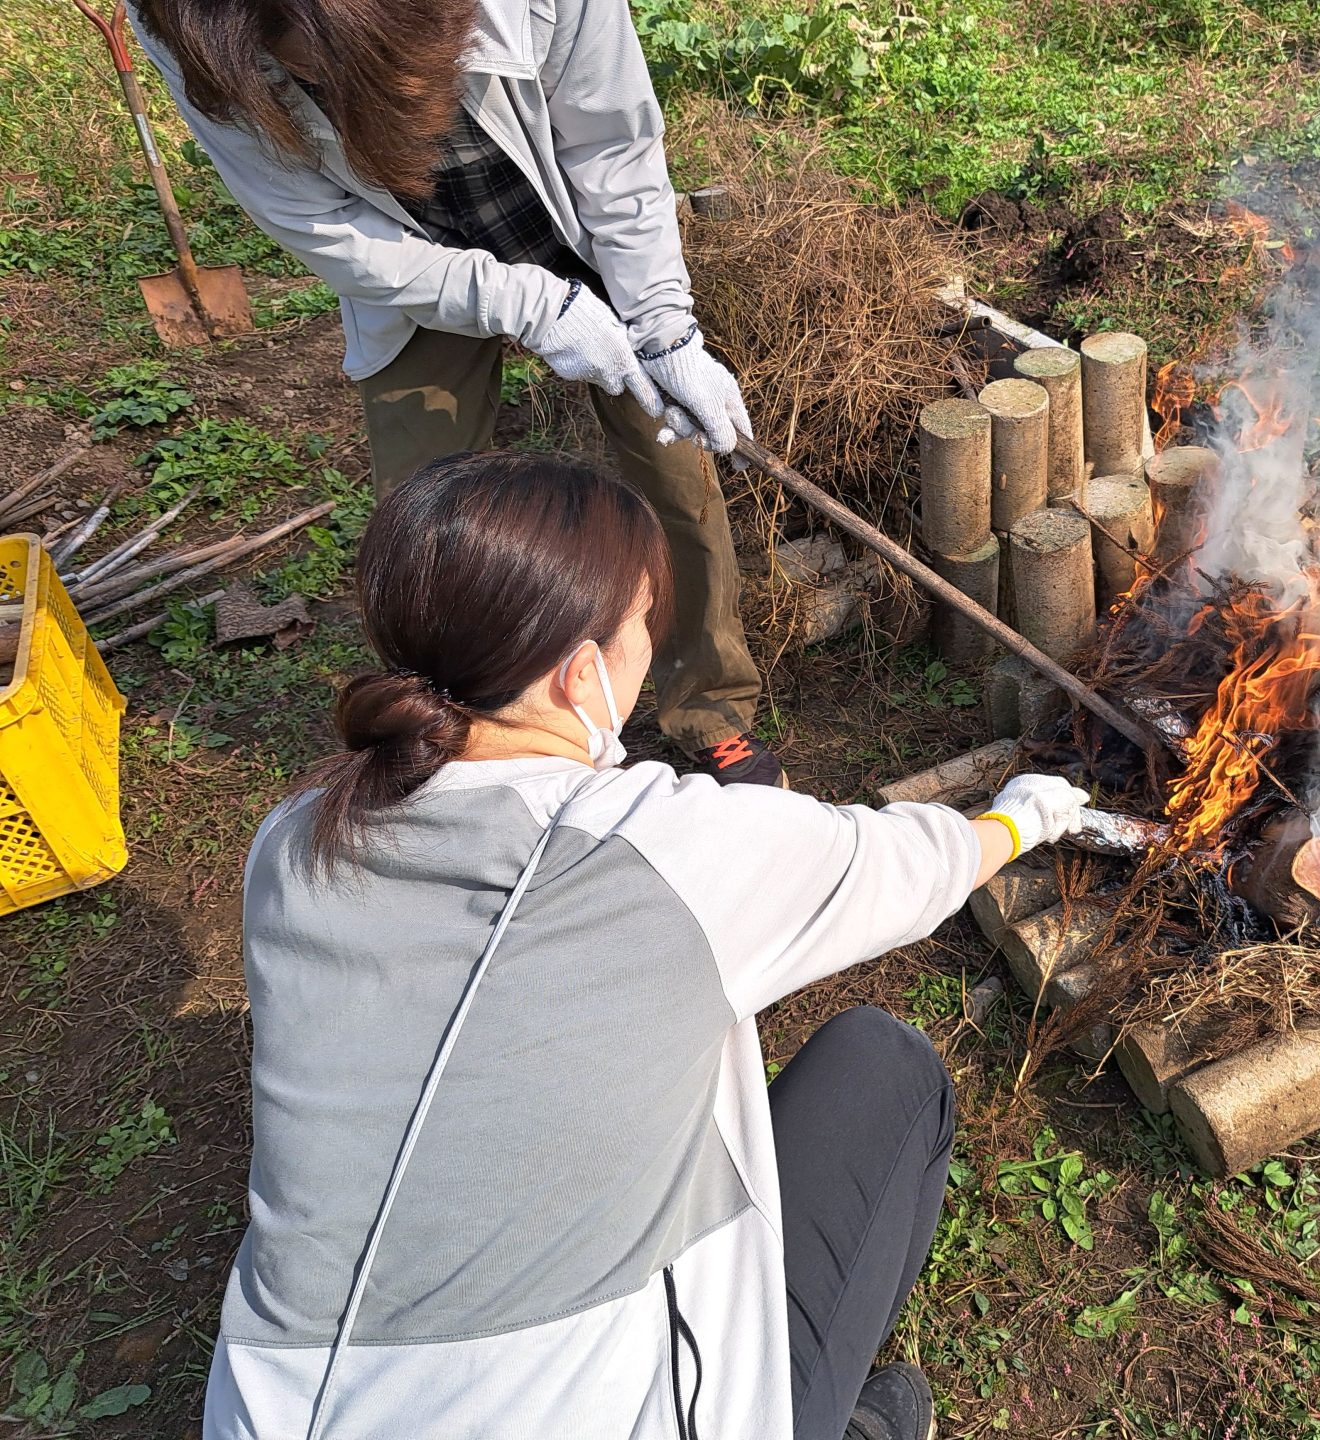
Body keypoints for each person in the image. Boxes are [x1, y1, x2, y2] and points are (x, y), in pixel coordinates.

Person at [210, 449, 1090, 1440]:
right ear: (579, 673)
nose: (649, 646)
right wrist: (1019, 818)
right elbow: (906, 866)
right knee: (889, 1070)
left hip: (267, 1411)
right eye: (642, 624)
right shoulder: (660, 851)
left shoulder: (291, 842)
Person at [129, 0, 784, 785]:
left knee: (675, 476)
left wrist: (665, 329)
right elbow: (326, 228)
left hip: (572, 223)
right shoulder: (193, 27)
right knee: (424, 517)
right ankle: (456, 734)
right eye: (310, 73)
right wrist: (530, 306)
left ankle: (709, 707)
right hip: (406, 264)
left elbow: (613, 146)